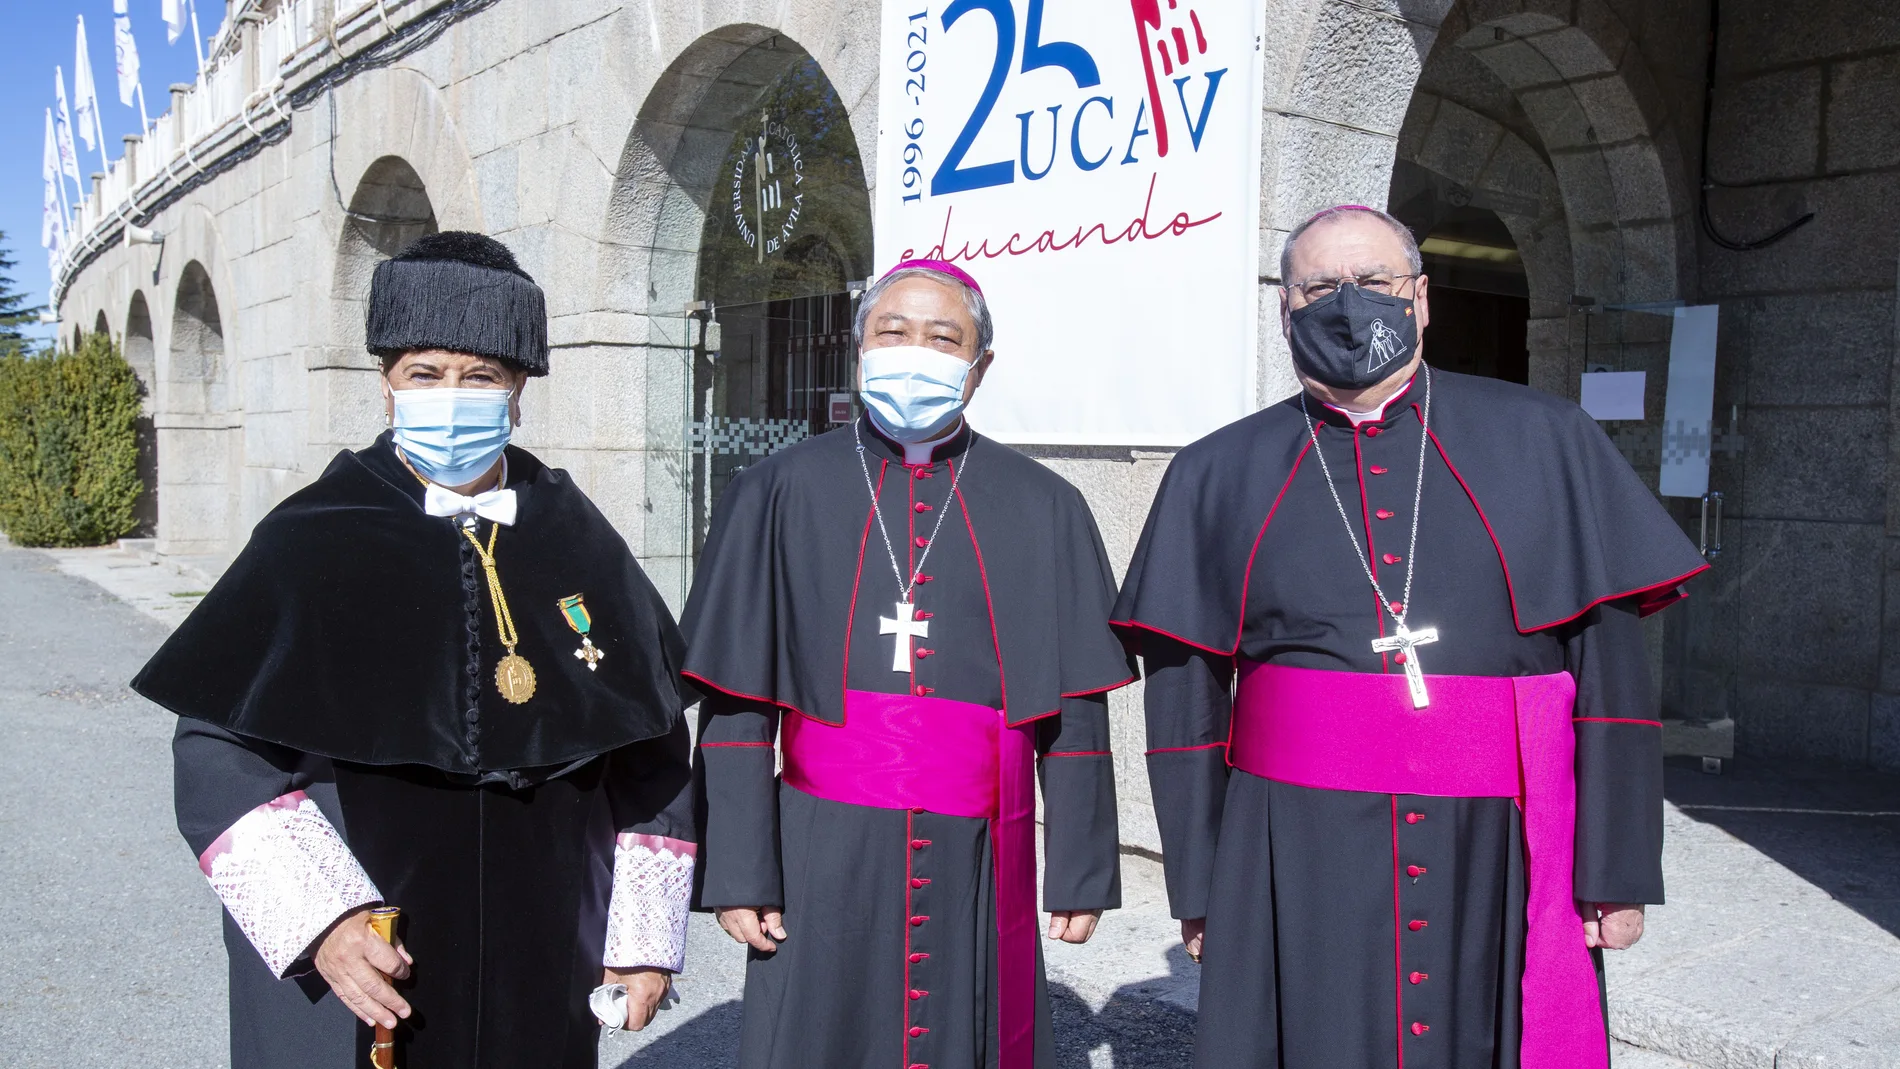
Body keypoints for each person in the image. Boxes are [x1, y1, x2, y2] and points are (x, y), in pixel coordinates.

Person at [1113, 206, 1709, 1069]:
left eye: (1378, 283)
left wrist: (1614, 869)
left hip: (1498, 837)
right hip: (1299, 843)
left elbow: (1613, 681)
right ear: (1285, 307)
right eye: (1320, 287)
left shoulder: (1549, 439)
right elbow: (1185, 707)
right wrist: (1203, 885)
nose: (1349, 305)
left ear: (1422, 299)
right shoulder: (1216, 470)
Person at [132, 232, 696, 1068]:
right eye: (424, 374)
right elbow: (219, 754)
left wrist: (645, 938)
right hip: (363, 957)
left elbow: (653, 757)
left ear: (518, 391)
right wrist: (322, 918)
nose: (452, 396)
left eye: (481, 376)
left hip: (538, 960)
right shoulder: (311, 534)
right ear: (387, 384)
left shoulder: (579, 537)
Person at [683, 259, 1134, 1069]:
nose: (914, 349)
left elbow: (1074, 706)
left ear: (979, 365)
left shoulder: (1045, 505)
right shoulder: (777, 489)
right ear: (859, 349)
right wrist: (742, 868)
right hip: (823, 844)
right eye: (892, 331)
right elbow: (738, 702)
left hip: (979, 843)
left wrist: (1081, 864)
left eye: (942, 336)